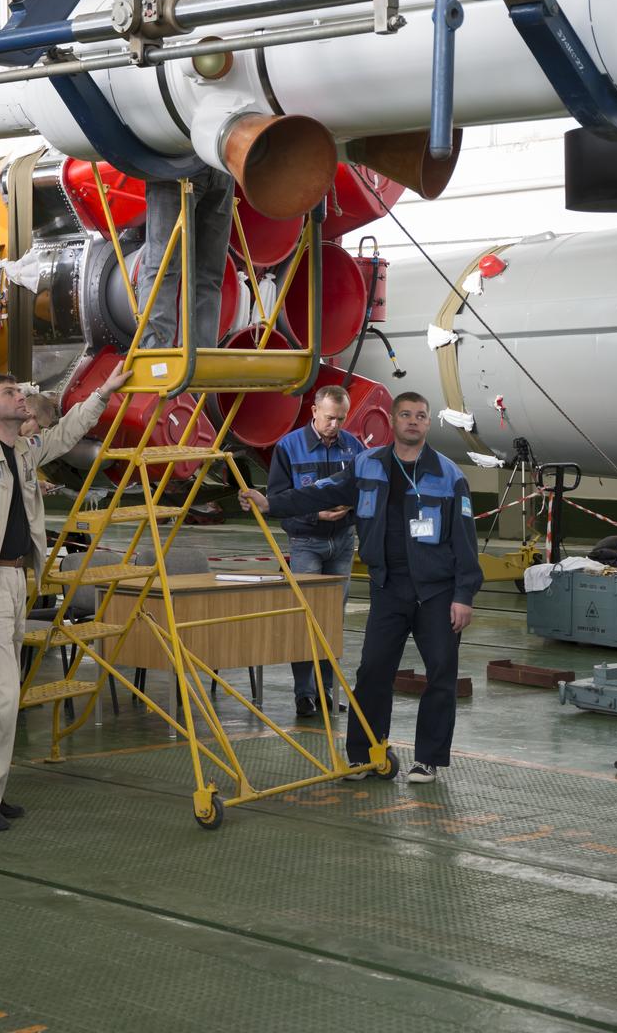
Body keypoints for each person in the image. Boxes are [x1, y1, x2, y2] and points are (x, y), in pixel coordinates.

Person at [0, 361, 130, 830]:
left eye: (19, 390)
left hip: (15, 582)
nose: (20, 396)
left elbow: (68, 432)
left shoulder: (22, 451)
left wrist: (105, 392)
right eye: (10, 392)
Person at [240, 391, 482, 785]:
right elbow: (321, 491)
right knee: (371, 672)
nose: (413, 422)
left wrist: (463, 595)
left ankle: (428, 761)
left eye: (420, 416)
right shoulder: (366, 465)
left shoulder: (450, 475)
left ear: (427, 422)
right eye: (405, 415)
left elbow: (465, 541)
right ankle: (364, 753)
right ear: (393, 420)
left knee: (441, 674)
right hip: (388, 588)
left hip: (437, 593)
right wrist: (271, 504)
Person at [267, 385, 365, 718]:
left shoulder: (354, 448)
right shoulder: (288, 448)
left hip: (342, 542)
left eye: (341, 419)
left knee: (331, 621)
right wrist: (314, 514)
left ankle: (327, 691)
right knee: (306, 618)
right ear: (313, 412)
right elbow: (277, 500)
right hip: (307, 542)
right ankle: (304, 694)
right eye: (329, 418)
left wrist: (348, 513)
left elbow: (365, 491)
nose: (335, 425)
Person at [136, 167, 235, 349]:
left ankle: (198, 358)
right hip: (177, 163)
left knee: (202, 275)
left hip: (216, 167)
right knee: (164, 268)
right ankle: (157, 359)